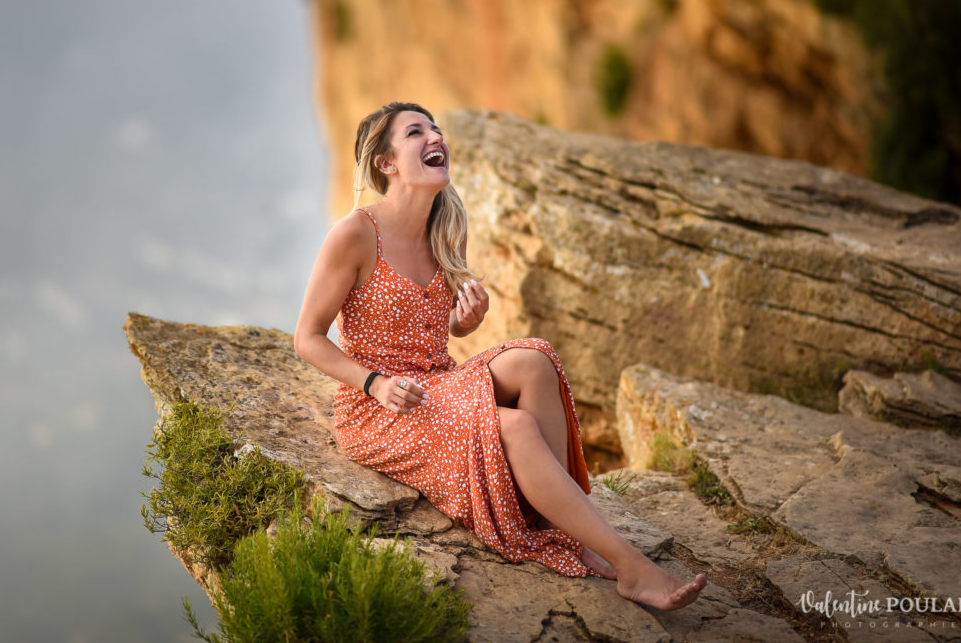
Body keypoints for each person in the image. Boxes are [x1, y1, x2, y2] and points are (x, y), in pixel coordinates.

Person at [294, 102, 705, 610]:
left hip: (437, 381)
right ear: (387, 163)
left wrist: (461, 325)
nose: (434, 135)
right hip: (380, 409)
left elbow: (426, 329)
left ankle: (562, 521)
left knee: (534, 360)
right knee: (513, 428)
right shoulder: (355, 234)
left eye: (435, 128)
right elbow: (307, 338)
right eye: (415, 131)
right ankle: (630, 567)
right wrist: (374, 382)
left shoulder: (446, 226)